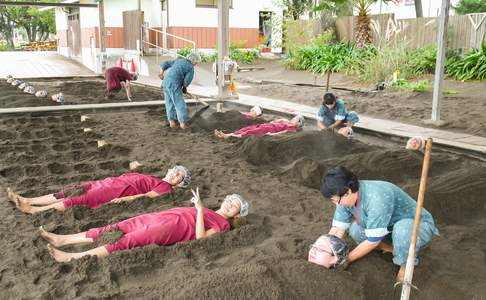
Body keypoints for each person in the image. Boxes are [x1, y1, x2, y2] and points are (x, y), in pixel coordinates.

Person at [40, 189, 250, 262]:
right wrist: (199, 208)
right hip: (159, 217)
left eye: (234, 206)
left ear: (236, 215)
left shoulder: (223, 225)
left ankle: (72, 257)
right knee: (115, 228)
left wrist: (199, 208)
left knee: (126, 241)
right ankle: (64, 239)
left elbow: (201, 237)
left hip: (169, 230)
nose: (230, 204)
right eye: (230, 200)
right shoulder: (211, 211)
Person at [320, 166, 439, 282]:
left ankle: (405, 264)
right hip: (388, 227)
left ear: (348, 191)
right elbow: (336, 229)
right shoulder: (343, 197)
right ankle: (393, 249)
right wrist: (324, 248)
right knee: (356, 230)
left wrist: (347, 259)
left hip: (415, 225)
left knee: (402, 231)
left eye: (336, 201)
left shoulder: (377, 197)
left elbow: (373, 241)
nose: (337, 205)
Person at [6, 165, 191, 215]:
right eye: (175, 171)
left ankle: (35, 209)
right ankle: (29, 200)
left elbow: (146, 196)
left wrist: (124, 200)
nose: (174, 174)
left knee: (77, 199)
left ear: (179, 184)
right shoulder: (156, 178)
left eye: (179, 176)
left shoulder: (165, 187)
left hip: (115, 191)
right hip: (107, 182)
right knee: (70, 190)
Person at [159, 52, 201, 129]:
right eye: (196, 62)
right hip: (174, 85)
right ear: (194, 61)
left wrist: (161, 72)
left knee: (169, 103)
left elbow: (165, 63)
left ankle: (172, 123)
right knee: (179, 104)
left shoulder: (179, 61)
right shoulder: (190, 67)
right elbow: (187, 80)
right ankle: (182, 124)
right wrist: (184, 87)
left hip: (165, 83)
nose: (196, 64)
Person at [214, 115, 304, 139]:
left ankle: (228, 136)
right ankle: (228, 134)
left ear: (299, 123)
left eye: (296, 118)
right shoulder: (287, 122)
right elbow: (276, 121)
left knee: (249, 132)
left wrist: (272, 135)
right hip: (267, 125)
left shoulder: (292, 128)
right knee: (245, 129)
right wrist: (282, 120)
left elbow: (283, 133)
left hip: (269, 129)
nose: (293, 119)